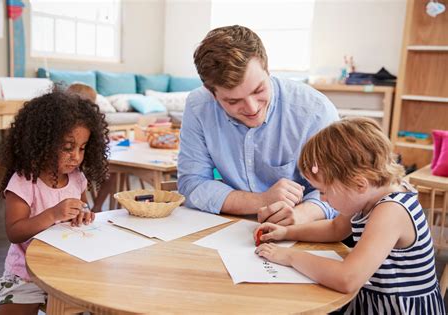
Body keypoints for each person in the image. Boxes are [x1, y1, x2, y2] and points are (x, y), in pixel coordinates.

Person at [254, 118, 445, 314]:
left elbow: (348, 278)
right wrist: (287, 232)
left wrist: (289, 256)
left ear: (359, 184)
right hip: (372, 299)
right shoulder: (368, 195)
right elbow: (336, 228)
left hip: (397, 309)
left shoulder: (392, 210)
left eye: (325, 191)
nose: (323, 199)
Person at [178, 25, 339, 225]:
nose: (252, 108)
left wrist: (299, 215)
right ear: (212, 93)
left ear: (267, 69)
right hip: (228, 227)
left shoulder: (315, 110)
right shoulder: (199, 105)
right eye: (233, 101)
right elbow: (192, 184)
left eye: (258, 90)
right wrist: (262, 201)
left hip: (305, 228)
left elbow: (340, 186)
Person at [0, 90, 109, 315]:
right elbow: (14, 232)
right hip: (25, 273)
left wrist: (82, 213)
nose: (76, 156)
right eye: (68, 147)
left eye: (82, 148)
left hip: (67, 268)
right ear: (42, 142)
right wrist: (53, 214)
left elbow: (80, 207)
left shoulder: (77, 178)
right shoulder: (24, 181)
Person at [66, 82, 118, 212]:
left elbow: (95, 140)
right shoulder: (64, 121)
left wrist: (108, 138)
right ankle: (91, 207)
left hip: (87, 162)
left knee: (110, 172)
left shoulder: (93, 121)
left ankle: (96, 207)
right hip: (77, 166)